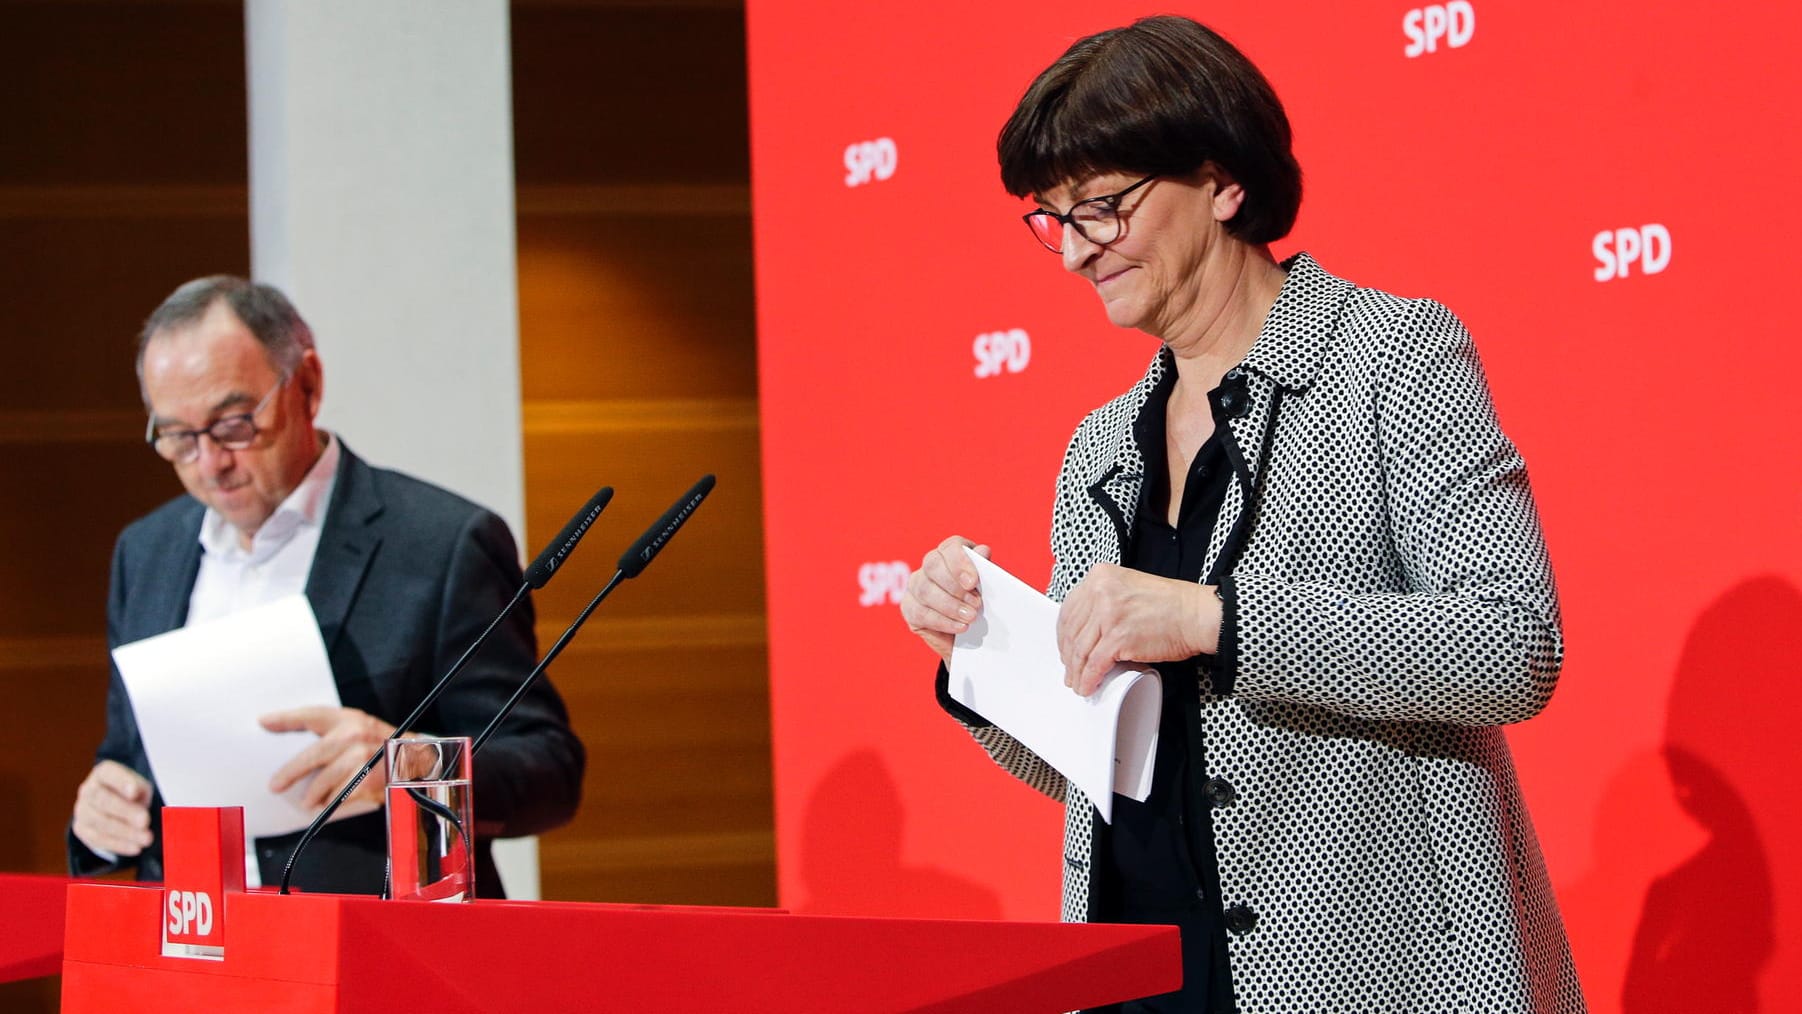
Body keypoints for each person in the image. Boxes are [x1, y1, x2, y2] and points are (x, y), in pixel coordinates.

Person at [900, 16, 1583, 1013]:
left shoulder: (1391, 357)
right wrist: (977, 655)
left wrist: (1210, 619)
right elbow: (1109, 772)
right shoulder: (1098, 446)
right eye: (1051, 219)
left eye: (1101, 208)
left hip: (1377, 972)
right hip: (1143, 974)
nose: (1073, 254)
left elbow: (1510, 646)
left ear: (1222, 182)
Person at [67, 276, 584, 896]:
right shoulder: (145, 553)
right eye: (177, 437)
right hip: (193, 955)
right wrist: (101, 811)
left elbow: (549, 769)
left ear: (306, 384)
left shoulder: (440, 544)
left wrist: (411, 767)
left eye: (233, 424)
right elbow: (130, 756)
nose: (209, 463)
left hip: (374, 957)